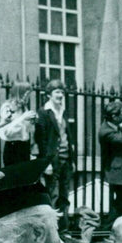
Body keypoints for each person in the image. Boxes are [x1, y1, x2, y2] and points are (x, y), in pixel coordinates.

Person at [34, 80, 75, 232]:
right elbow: (42, 140)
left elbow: (68, 136)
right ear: (49, 94)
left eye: (62, 92)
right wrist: (46, 163)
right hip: (53, 160)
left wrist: (72, 159)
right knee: (54, 194)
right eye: (57, 92)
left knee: (65, 195)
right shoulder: (43, 112)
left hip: (66, 158)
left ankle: (64, 229)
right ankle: (53, 230)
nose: (60, 95)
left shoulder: (63, 111)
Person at [98, 98, 122, 223]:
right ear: (114, 116)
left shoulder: (112, 125)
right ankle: (111, 229)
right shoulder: (105, 131)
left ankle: (120, 227)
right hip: (116, 172)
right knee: (119, 205)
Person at [0, 82, 36, 166]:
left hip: (24, 146)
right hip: (13, 147)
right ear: (20, 93)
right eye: (26, 94)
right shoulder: (7, 107)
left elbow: (25, 130)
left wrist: (31, 122)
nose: (28, 97)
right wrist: (22, 118)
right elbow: (6, 131)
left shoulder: (23, 107)